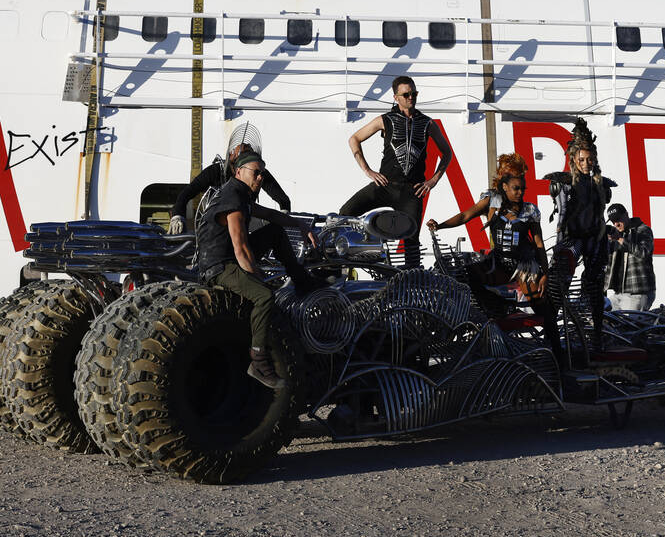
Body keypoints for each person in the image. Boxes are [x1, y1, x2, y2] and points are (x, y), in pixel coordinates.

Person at [196, 150, 319, 389]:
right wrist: (259, 280)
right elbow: (241, 249)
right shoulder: (233, 199)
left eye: (263, 173)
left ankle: (302, 281)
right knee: (264, 297)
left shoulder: (242, 195)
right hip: (219, 266)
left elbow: (269, 214)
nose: (261, 177)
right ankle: (258, 361)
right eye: (256, 172)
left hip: (229, 259)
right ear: (239, 172)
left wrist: (300, 224)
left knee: (275, 231)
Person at [426, 153, 559, 356]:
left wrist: (545, 274)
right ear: (504, 182)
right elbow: (464, 215)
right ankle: (499, 307)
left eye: (521, 185)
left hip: (523, 266)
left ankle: (558, 356)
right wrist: (440, 226)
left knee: (543, 308)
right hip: (497, 263)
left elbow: (539, 244)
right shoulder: (491, 200)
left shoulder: (530, 210)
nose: (520, 191)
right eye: (514, 184)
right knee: (464, 274)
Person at [340, 76, 452, 268]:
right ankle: (343, 261)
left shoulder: (427, 123)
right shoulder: (385, 120)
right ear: (396, 97)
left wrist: (433, 181)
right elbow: (354, 139)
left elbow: (447, 153)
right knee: (346, 213)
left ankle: (412, 284)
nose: (411, 97)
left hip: (412, 191)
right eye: (406, 94)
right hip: (385, 185)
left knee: (411, 239)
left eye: (414, 93)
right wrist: (368, 171)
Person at [546, 118, 617, 354]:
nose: (586, 163)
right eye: (582, 160)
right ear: (574, 160)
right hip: (572, 239)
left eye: (590, 159)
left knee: (595, 288)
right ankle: (552, 336)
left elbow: (599, 213)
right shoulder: (564, 183)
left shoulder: (601, 184)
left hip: (593, 238)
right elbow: (562, 215)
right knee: (559, 286)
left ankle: (596, 336)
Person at [168, 123, 290, 234]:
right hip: (216, 226)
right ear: (238, 170)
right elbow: (187, 192)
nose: (258, 177)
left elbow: (282, 200)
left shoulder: (259, 173)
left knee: (275, 232)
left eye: (258, 173)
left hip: (244, 221)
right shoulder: (215, 171)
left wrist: (284, 218)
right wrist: (177, 215)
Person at [605, 203, 656, 311]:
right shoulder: (616, 235)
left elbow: (643, 252)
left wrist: (620, 239)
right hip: (618, 294)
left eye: (618, 219)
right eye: (613, 221)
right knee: (602, 319)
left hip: (638, 292)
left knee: (627, 326)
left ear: (626, 214)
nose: (616, 224)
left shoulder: (642, 230)